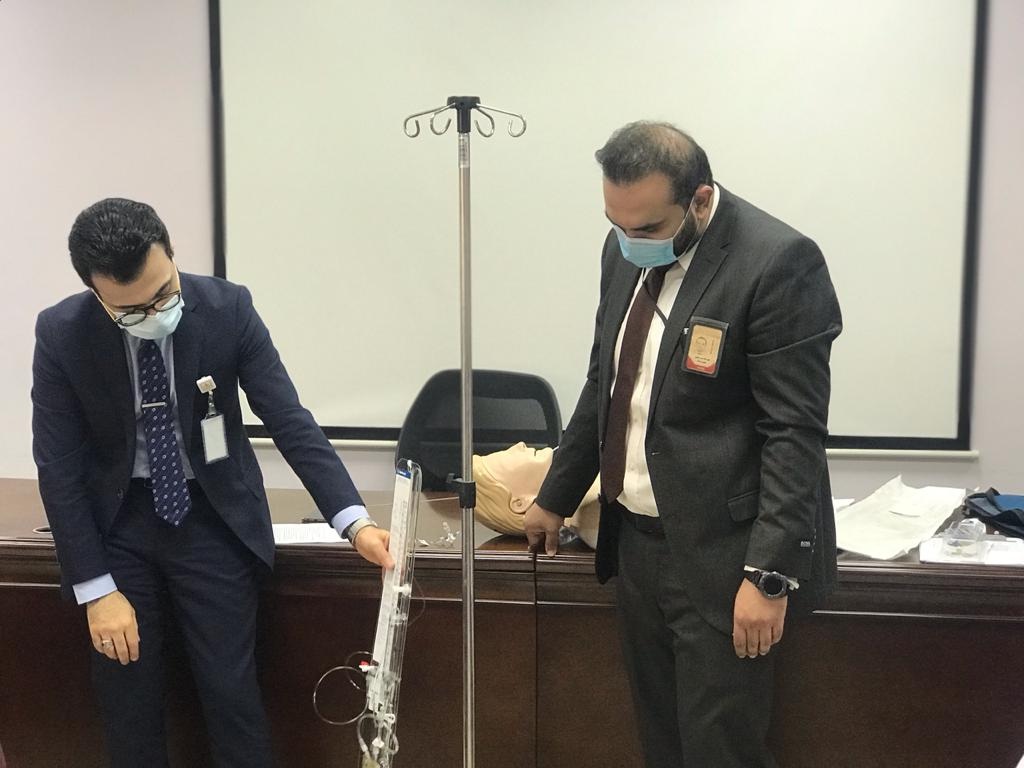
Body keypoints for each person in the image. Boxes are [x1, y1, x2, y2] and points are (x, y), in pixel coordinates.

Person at [31, 198, 394, 767]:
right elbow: (58, 466)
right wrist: (96, 590)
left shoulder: (228, 308)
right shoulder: (62, 333)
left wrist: (354, 522)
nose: (154, 313)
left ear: (172, 254)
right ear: (96, 294)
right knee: (128, 699)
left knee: (231, 693)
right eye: (131, 310)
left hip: (210, 516)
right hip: (119, 526)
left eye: (163, 293)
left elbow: (288, 419)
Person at [524, 122, 842, 768]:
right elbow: (607, 383)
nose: (629, 240)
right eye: (616, 224)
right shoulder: (624, 249)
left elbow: (793, 433)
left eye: (646, 227)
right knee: (661, 744)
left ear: (699, 199)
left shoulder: (777, 263)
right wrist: (556, 494)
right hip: (637, 544)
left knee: (720, 751)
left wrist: (768, 576)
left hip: (725, 559)